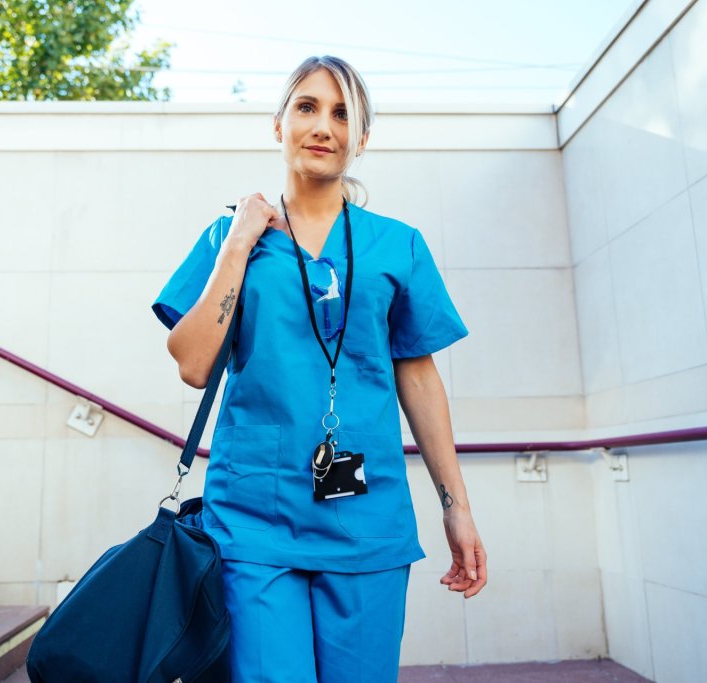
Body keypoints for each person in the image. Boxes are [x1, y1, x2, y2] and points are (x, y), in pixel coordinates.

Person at [151, 55, 487, 683]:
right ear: (277, 124)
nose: (323, 127)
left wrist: (456, 506)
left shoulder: (398, 244)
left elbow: (418, 378)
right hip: (253, 516)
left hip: (368, 517)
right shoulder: (231, 238)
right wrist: (238, 243)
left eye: (342, 114)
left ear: (361, 139)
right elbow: (194, 364)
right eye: (306, 107)